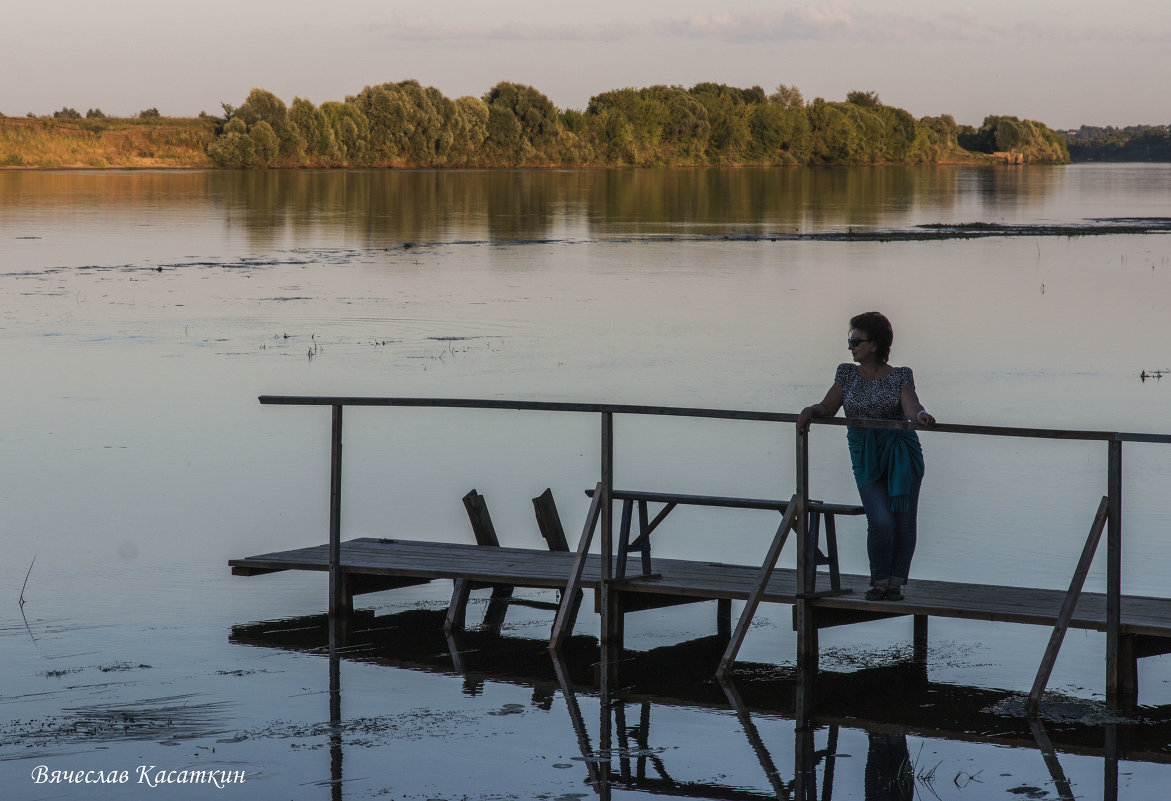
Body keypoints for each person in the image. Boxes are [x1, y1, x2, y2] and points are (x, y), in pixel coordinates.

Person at [796, 311, 935, 601]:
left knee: (904, 522)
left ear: (874, 344)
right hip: (864, 454)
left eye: (855, 340)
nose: (851, 346)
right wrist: (811, 411)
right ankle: (878, 581)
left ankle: (894, 584)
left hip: (901, 453)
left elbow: (911, 407)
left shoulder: (901, 375)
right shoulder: (846, 374)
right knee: (881, 520)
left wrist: (921, 415)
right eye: (850, 339)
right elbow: (828, 406)